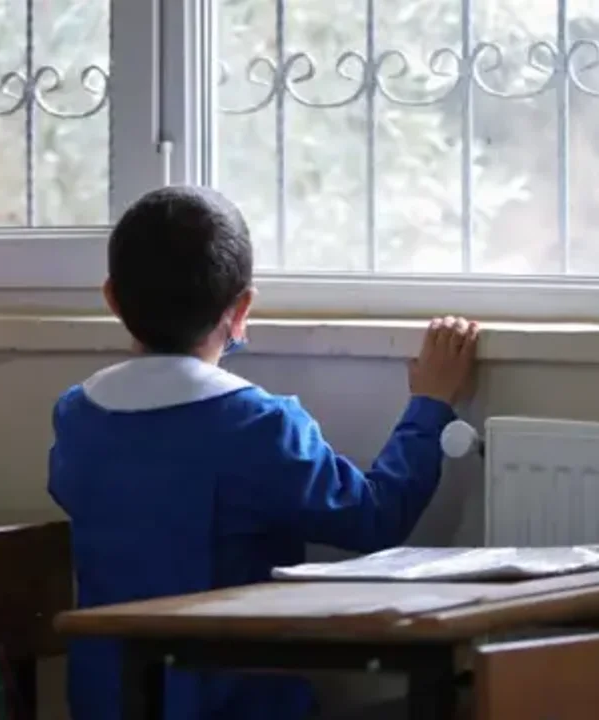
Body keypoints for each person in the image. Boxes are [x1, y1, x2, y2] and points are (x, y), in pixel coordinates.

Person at [48, 185, 480, 720]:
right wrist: (430, 406)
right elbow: (374, 518)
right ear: (242, 308)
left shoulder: (78, 417)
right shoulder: (257, 425)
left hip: (108, 706)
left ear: (112, 298)